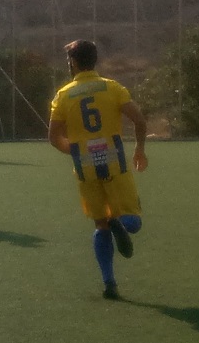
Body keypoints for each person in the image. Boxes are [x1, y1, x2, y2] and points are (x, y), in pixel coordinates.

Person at [47, 39, 148, 300]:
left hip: (86, 168)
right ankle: (119, 222)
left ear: (73, 62)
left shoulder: (63, 95)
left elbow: (54, 137)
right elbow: (139, 120)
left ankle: (109, 282)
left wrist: (77, 151)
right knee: (133, 221)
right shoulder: (111, 87)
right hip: (115, 163)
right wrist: (139, 149)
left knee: (100, 224)